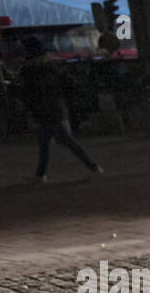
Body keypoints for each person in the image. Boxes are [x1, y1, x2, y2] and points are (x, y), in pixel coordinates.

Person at [18, 36, 103, 183]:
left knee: (66, 142)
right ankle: (40, 175)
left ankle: (94, 168)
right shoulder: (52, 66)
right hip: (56, 107)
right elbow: (69, 84)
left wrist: (30, 110)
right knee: (47, 143)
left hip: (46, 111)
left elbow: (29, 93)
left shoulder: (30, 70)